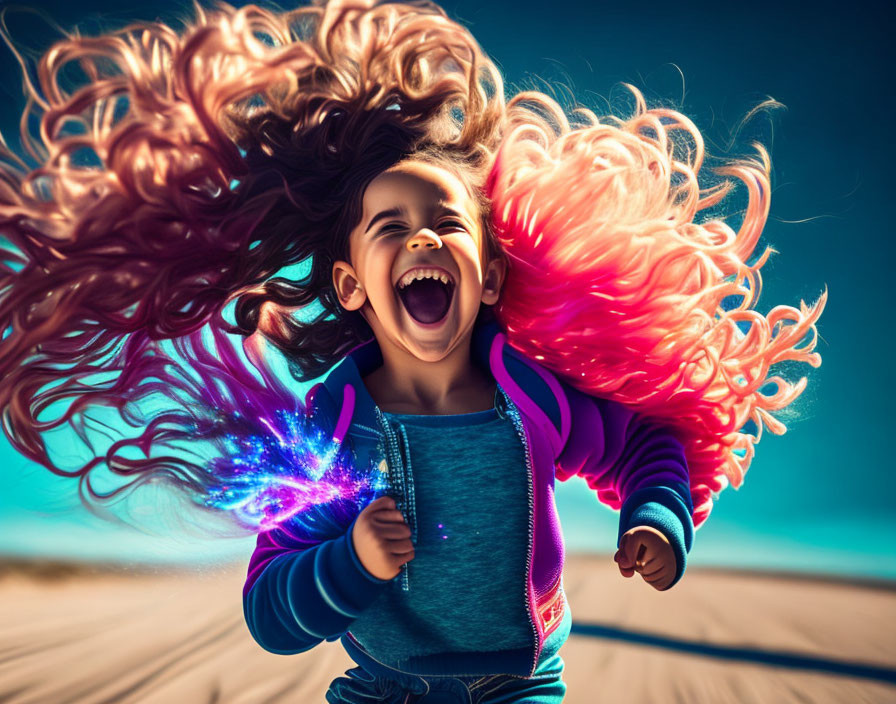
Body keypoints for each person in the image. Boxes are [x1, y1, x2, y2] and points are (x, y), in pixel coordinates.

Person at [0, 1, 824, 702]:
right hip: (381, 687)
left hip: (521, 684)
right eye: (390, 227)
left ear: (490, 277)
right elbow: (269, 611)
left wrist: (657, 516)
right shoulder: (331, 433)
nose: (422, 236)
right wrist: (351, 561)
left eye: (447, 224)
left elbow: (646, 443)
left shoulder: (532, 399)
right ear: (353, 286)